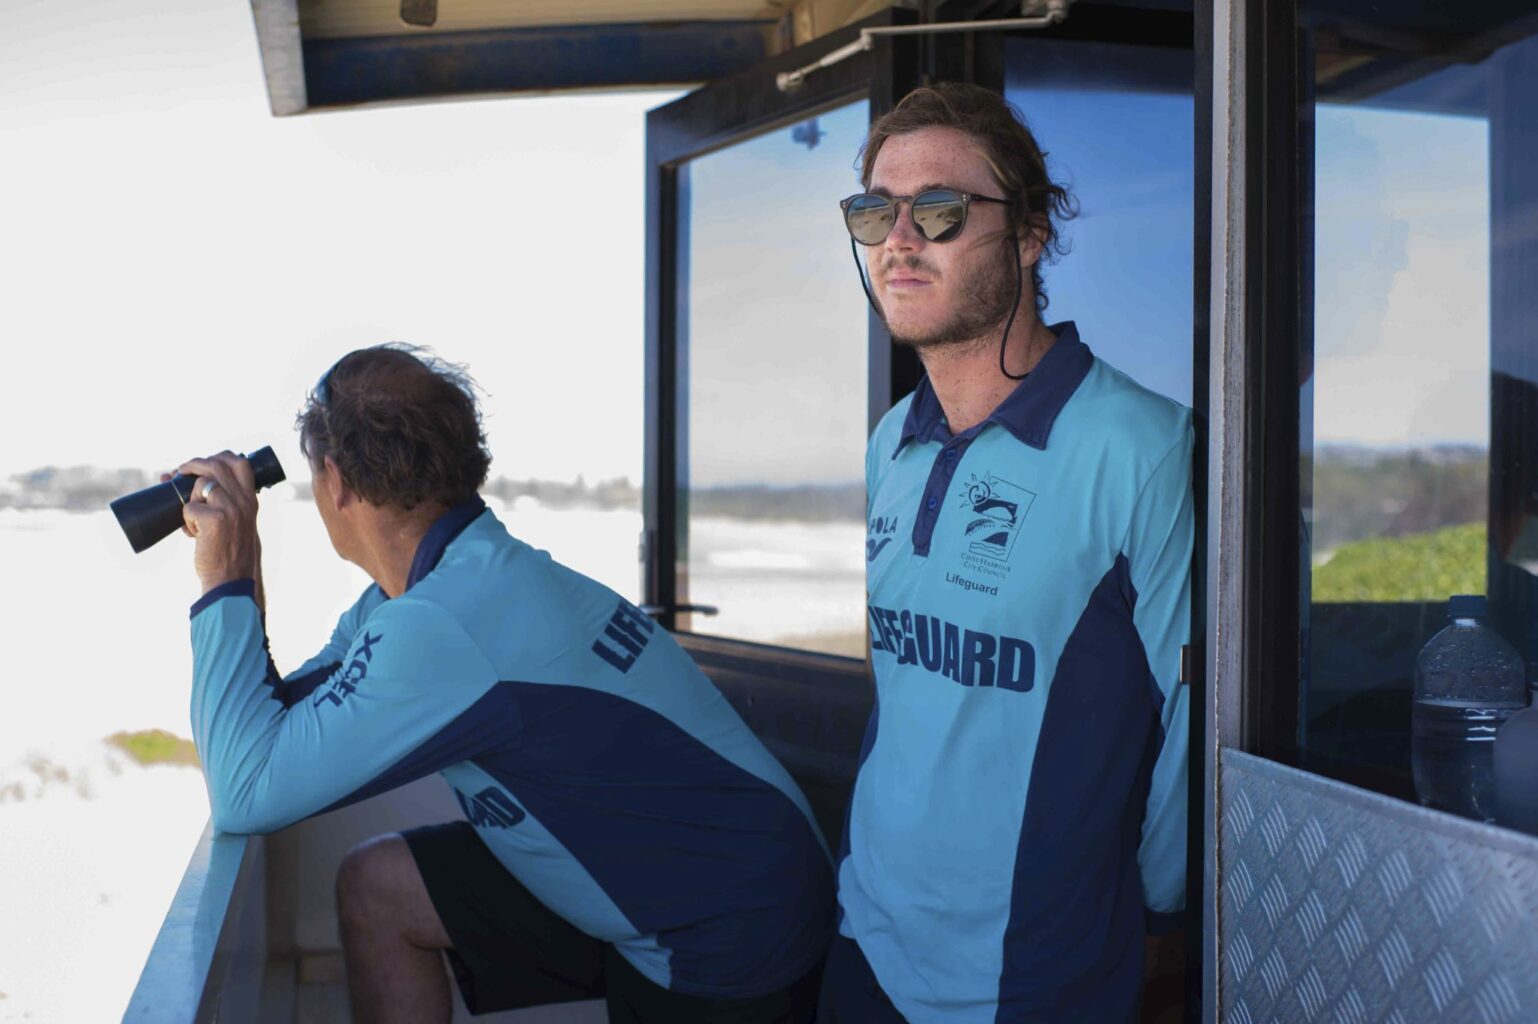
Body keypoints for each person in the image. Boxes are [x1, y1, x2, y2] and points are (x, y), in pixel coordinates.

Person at [172, 345, 832, 1024]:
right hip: (686, 869)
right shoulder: (434, 590)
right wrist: (240, 570)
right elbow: (282, 716)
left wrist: (223, 578)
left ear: (334, 482)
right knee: (382, 890)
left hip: (728, 932)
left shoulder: (440, 624)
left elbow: (244, 790)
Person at [820, 84, 1194, 1023]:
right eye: (874, 211)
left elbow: (1192, 724)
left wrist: (1161, 919)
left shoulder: (1143, 448)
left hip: (1032, 974)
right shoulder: (892, 438)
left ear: (1029, 234)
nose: (898, 239)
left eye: (939, 210)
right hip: (865, 938)